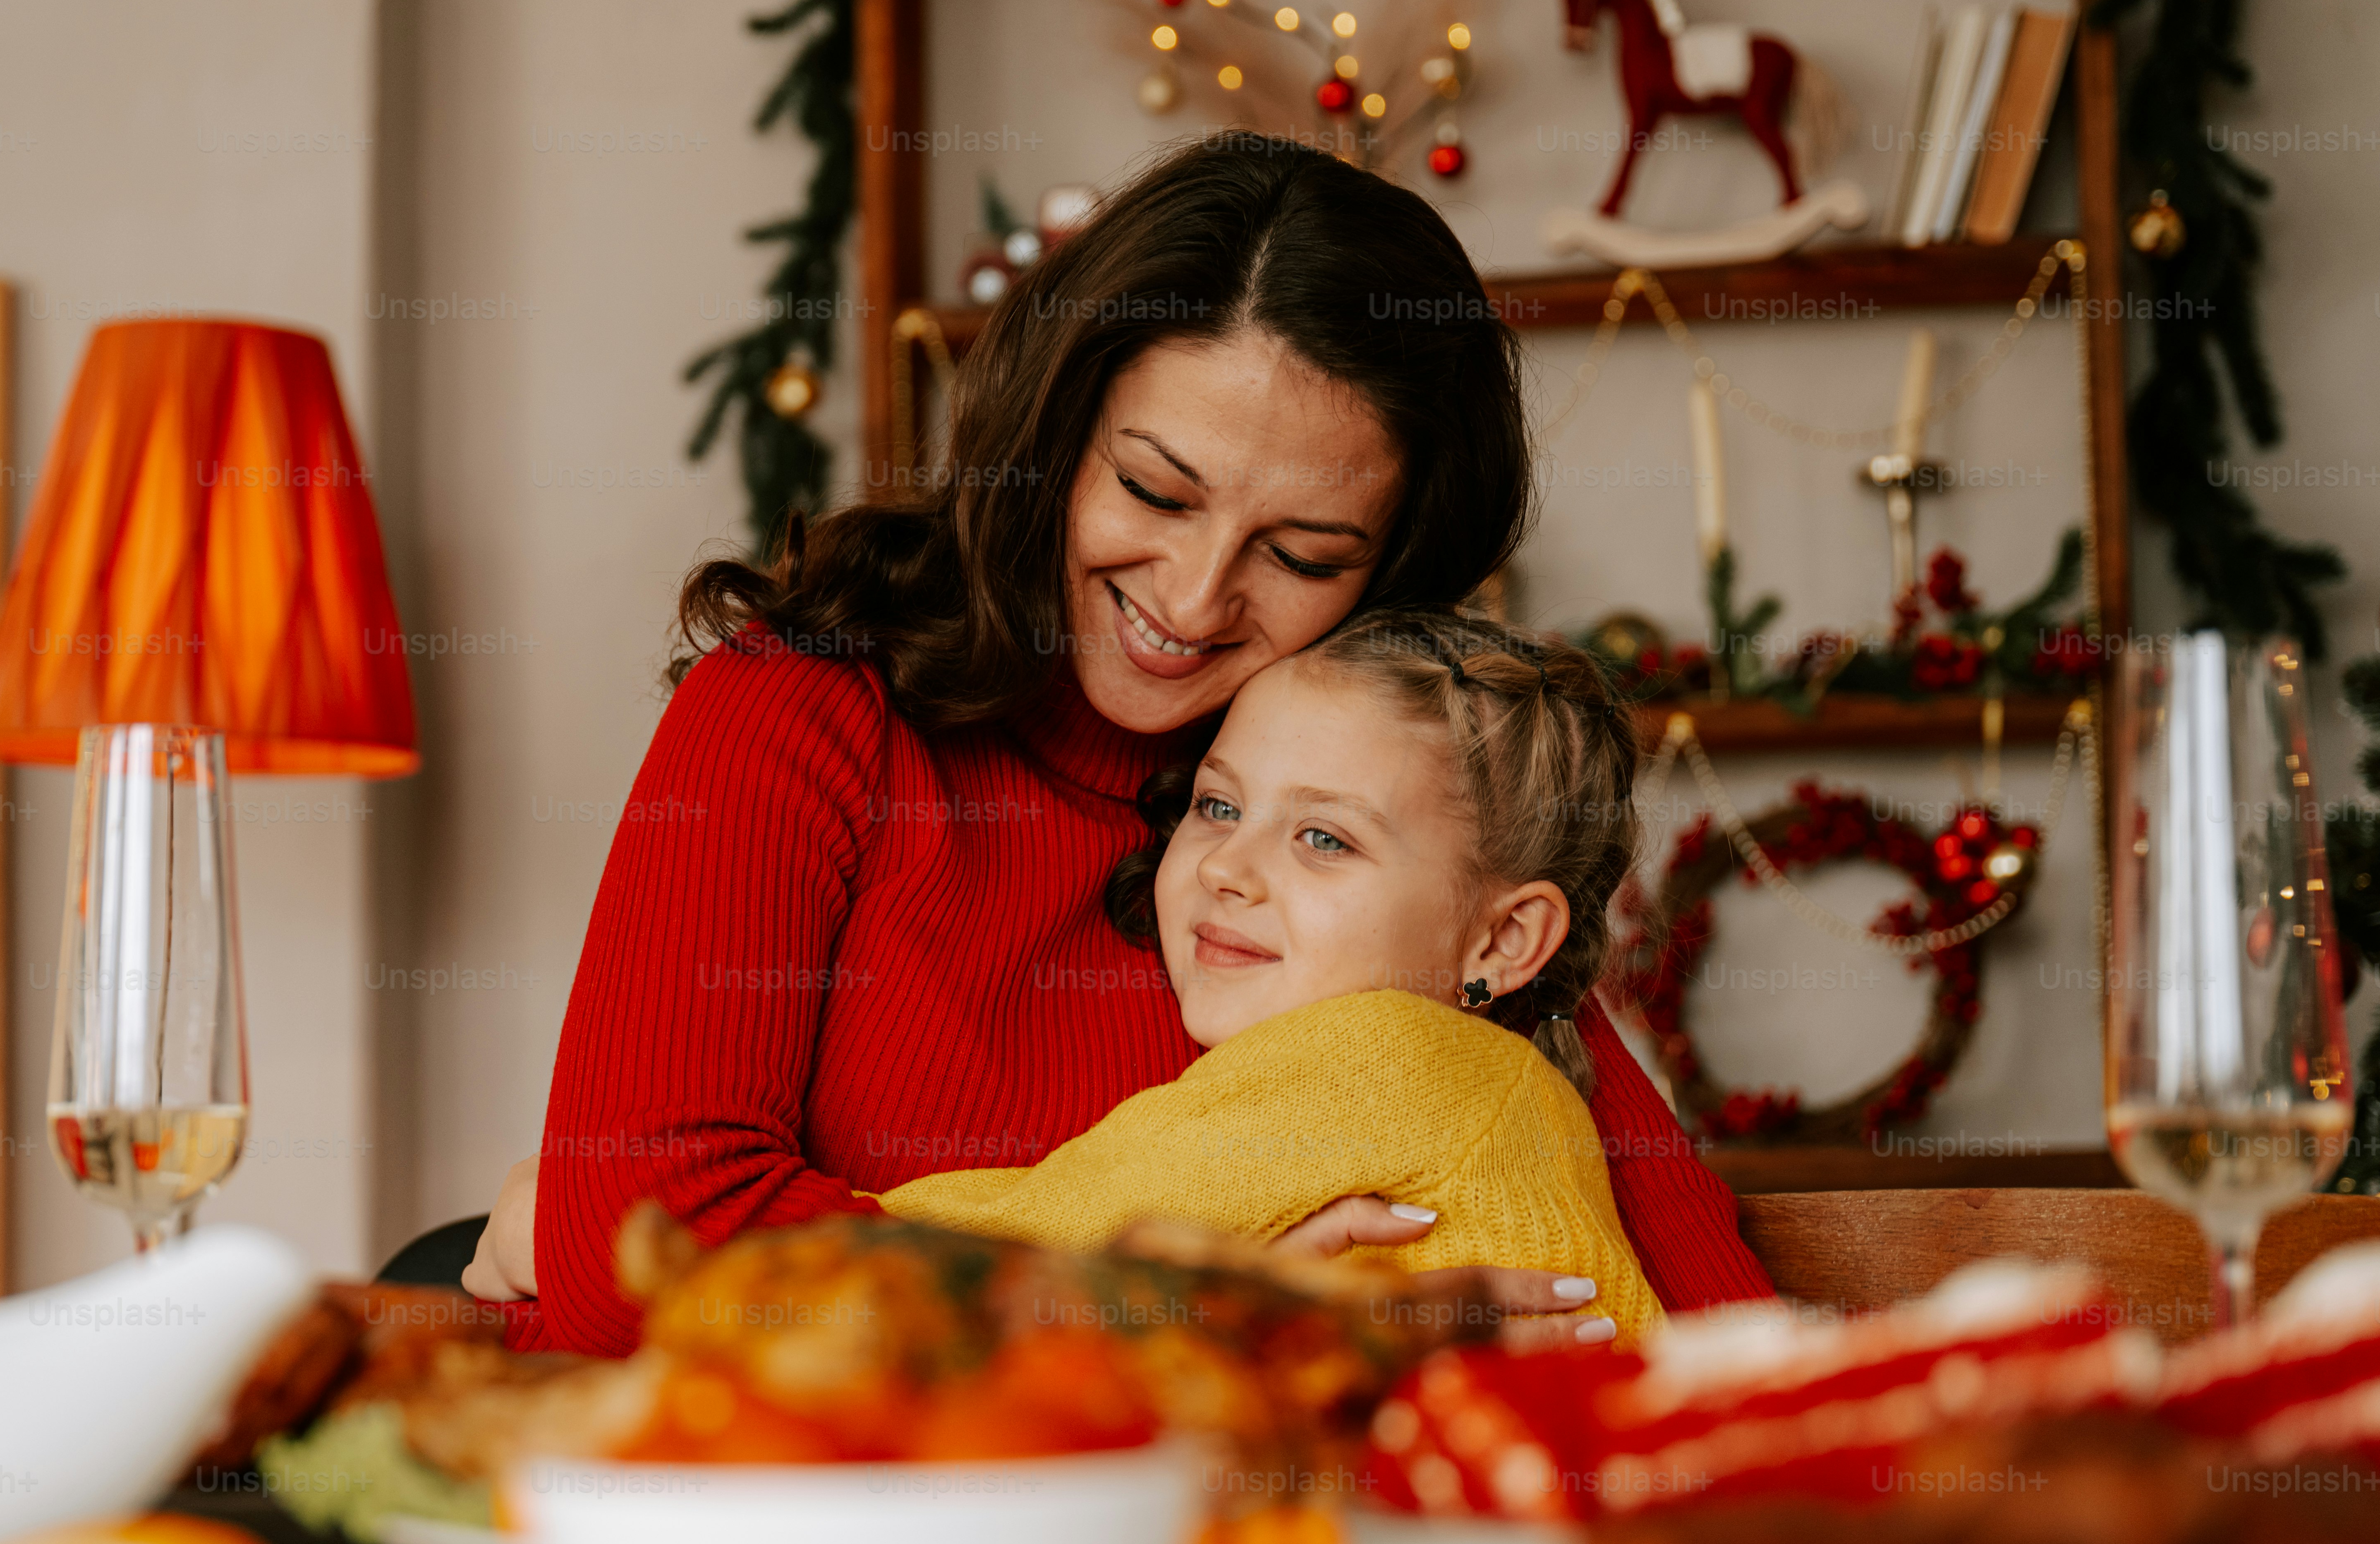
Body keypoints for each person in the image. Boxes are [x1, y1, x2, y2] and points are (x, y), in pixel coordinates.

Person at [466, 134, 1773, 1352]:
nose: (1193, 602)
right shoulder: (803, 711)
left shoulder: (1393, 825)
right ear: (1052, 435)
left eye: (1302, 555)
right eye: (1152, 490)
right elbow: (640, 1249)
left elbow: (1716, 1322)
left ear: (1395, 570)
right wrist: (1184, 1310)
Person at [883, 609, 1664, 1350]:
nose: (1223, 866)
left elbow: (1003, 1248)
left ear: (1502, 940)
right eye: (1218, 805)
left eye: (1323, 837)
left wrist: (817, 1231)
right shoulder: (1509, 1090)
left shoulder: (1387, 1056)